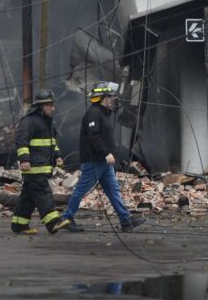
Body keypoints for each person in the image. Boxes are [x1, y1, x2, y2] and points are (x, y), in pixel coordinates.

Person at [62, 81, 146, 233]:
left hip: (103, 163)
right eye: (109, 96)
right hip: (95, 161)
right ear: (102, 98)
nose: (112, 99)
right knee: (81, 190)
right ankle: (67, 218)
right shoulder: (94, 113)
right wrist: (106, 153)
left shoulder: (102, 113)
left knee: (114, 191)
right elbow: (93, 137)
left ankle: (126, 221)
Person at [11, 89, 71, 235]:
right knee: (44, 194)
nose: (53, 108)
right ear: (41, 106)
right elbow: (21, 142)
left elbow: (51, 143)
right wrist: (24, 160)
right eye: (49, 105)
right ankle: (53, 222)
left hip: (43, 166)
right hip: (34, 168)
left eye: (53, 105)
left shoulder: (47, 122)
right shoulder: (29, 121)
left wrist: (58, 155)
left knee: (28, 197)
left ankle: (19, 224)